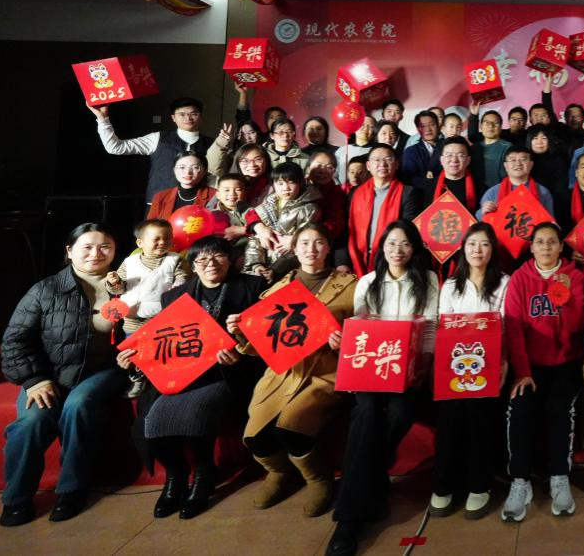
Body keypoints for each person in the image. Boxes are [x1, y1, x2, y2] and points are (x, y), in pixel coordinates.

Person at [120, 236, 266, 520]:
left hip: (227, 373)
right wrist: (135, 361)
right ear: (193, 265)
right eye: (202, 258)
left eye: (218, 256)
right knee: (149, 423)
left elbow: (266, 338)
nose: (210, 263)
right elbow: (164, 343)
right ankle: (175, 475)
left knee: (195, 413)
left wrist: (241, 352)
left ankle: (204, 474)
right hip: (182, 374)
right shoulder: (174, 297)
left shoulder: (253, 287)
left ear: (230, 259)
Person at [0, 224, 130, 526]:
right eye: (87, 247)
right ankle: (16, 498)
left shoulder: (126, 285)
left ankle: (72, 489)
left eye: (105, 246)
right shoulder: (45, 290)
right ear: (70, 251)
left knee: (79, 405)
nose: (96, 253)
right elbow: (15, 340)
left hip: (103, 370)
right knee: (31, 422)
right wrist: (35, 380)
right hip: (50, 374)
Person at [327, 222, 440, 556]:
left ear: (414, 248)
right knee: (365, 412)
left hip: (410, 374)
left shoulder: (428, 280)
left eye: (405, 244)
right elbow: (361, 330)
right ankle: (347, 522)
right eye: (391, 243)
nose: (397, 250)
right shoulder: (368, 282)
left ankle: (371, 480)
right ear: (382, 248)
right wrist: (343, 343)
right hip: (371, 375)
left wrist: (423, 367)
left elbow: (430, 329)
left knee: (402, 411)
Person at [234, 223, 356, 517]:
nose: (311, 249)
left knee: (292, 424)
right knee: (254, 436)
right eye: (304, 243)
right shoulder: (278, 289)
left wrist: (345, 341)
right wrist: (239, 331)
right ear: (294, 248)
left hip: (325, 371)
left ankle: (318, 479)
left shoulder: (351, 286)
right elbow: (263, 342)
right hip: (283, 373)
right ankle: (279, 472)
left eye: (318, 243)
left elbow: (367, 331)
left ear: (328, 248)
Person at [501, 223, 584, 522]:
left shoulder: (575, 276)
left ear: (561, 247)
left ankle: (559, 477)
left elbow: (577, 326)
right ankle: (520, 481)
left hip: (566, 363)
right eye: (540, 242)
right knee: (521, 408)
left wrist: (566, 297)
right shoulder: (519, 279)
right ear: (531, 247)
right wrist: (523, 372)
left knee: (559, 409)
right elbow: (514, 330)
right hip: (531, 366)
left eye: (552, 242)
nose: (546, 247)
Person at [429, 224, 509, 521]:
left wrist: (502, 364)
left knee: (480, 413)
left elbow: (506, 326)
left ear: (492, 249)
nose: (478, 250)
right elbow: (444, 328)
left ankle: (479, 484)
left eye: (484, 244)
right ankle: (444, 484)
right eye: (472, 244)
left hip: (489, 366)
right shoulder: (451, 286)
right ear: (463, 249)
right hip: (454, 367)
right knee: (449, 416)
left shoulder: (504, 282)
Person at [108, 219, 192, 395]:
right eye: (156, 239)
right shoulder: (129, 262)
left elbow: (183, 279)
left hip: (161, 318)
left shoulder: (175, 260)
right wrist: (114, 282)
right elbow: (118, 288)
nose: (162, 242)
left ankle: (160, 379)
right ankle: (137, 379)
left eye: (167, 238)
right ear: (140, 243)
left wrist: (178, 286)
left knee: (160, 349)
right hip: (133, 318)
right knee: (135, 352)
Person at [90, 96, 214, 203]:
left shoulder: (213, 144)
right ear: (173, 118)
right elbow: (115, 147)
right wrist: (102, 119)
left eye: (193, 114)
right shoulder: (158, 138)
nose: (188, 118)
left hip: (199, 203)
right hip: (159, 203)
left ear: (201, 116)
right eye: (182, 114)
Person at [346, 145, 422, 277]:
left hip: (392, 259)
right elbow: (347, 230)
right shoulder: (356, 193)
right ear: (368, 166)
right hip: (358, 259)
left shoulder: (407, 193)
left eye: (388, 159)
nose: (382, 164)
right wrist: (342, 261)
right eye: (377, 160)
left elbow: (407, 230)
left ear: (396, 164)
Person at [245, 162, 322, 279]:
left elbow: (303, 245)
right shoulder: (265, 206)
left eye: (291, 182)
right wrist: (256, 265)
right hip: (261, 267)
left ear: (301, 182)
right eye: (280, 183)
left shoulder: (310, 209)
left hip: (290, 270)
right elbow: (255, 238)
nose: (285, 188)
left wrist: (275, 269)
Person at [480, 147, 556, 218]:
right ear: (505, 166)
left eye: (523, 159)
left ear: (531, 164)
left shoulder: (543, 192)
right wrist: (483, 212)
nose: (518, 164)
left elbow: (550, 222)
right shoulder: (492, 193)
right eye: (513, 160)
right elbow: (479, 222)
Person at [147, 151, 216, 219]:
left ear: (205, 171)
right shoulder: (160, 197)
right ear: (175, 170)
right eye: (182, 167)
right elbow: (150, 225)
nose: (188, 172)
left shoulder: (215, 196)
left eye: (195, 167)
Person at [306, 148, 348, 242]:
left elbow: (335, 224)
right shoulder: (298, 187)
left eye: (329, 167)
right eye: (319, 165)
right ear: (308, 168)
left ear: (334, 172)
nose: (323, 171)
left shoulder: (336, 193)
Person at [430, 137, 482, 211]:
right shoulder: (426, 187)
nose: (454, 160)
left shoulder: (480, 189)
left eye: (460, 155)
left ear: (468, 160)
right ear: (441, 160)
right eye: (449, 155)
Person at [467, 108, 511, 190]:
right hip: (475, 193)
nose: (491, 126)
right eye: (487, 122)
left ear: (501, 128)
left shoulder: (508, 148)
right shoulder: (473, 149)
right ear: (481, 127)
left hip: (499, 193)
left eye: (496, 123)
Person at [527, 123, 569, 205]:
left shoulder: (558, 160)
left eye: (544, 138)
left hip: (552, 204)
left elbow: (561, 189)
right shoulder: (524, 160)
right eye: (535, 138)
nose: (539, 142)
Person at [402, 110, 441, 189]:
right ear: (418, 129)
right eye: (423, 126)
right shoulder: (411, 151)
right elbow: (409, 179)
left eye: (432, 124)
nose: (428, 129)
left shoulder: (448, 147)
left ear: (438, 125)